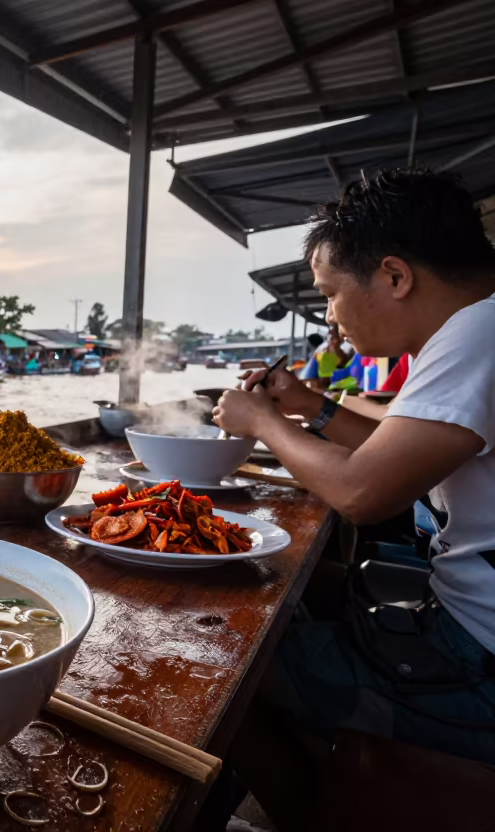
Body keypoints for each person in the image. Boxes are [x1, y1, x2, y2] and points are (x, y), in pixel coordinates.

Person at [212, 169, 495, 796]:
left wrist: (261, 420)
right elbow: (396, 446)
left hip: (476, 663)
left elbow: (363, 494)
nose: (331, 321)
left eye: (330, 294)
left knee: (225, 671)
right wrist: (307, 403)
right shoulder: (473, 326)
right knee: (288, 595)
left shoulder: (481, 333)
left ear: (394, 276)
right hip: (460, 622)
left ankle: (321, 809)